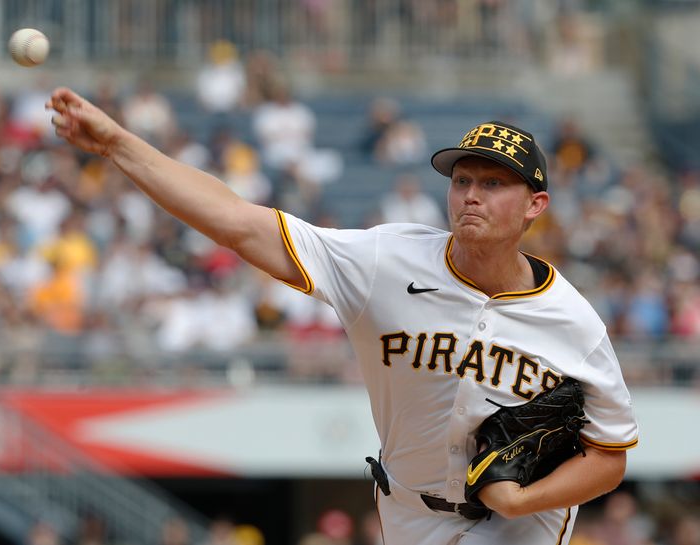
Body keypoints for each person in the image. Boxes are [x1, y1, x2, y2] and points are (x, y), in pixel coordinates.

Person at [48, 89, 639, 544]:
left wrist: (519, 503)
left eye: (493, 183)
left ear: (536, 205)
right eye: (461, 180)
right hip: (409, 511)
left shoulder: (573, 323)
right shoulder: (384, 260)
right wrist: (115, 144)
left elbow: (608, 458)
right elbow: (236, 221)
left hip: (523, 525)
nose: (471, 195)